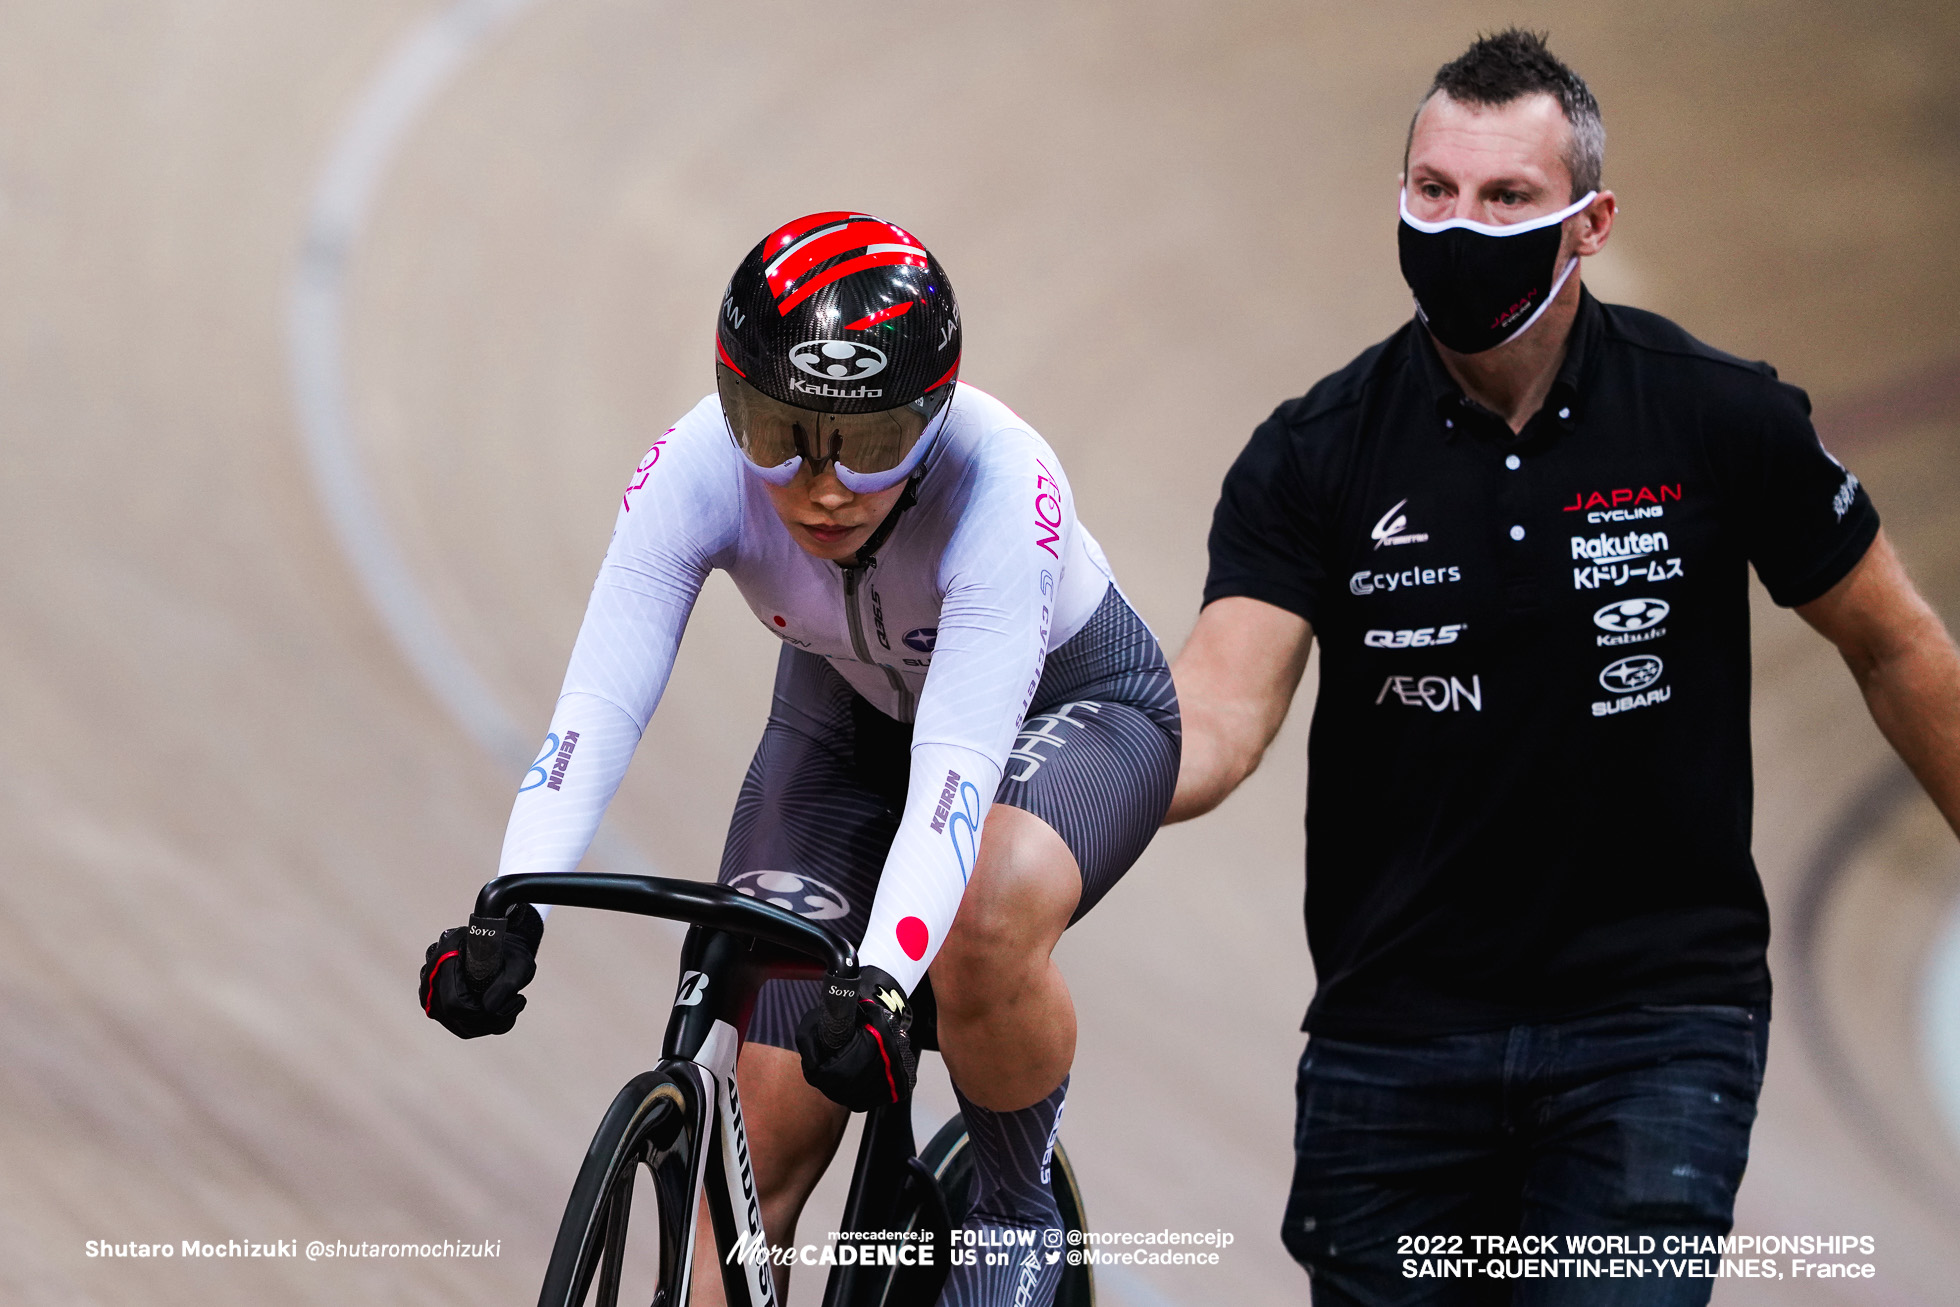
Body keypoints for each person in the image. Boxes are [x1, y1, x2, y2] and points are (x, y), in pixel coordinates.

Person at [1169, 29, 1960, 1307]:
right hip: (1395, 1034)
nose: (1458, 225)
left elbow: (1894, 642)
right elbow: (1219, 705)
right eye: (1433, 191)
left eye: (1505, 199)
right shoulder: (1311, 453)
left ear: (1588, 224)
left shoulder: (1719, 415)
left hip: (1652, 1031)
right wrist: (1076, 785)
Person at [418, 211, 1180, 1307]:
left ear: (935, 415)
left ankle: (1012, 1217)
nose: (821, 483)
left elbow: (958, 771)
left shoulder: (1003, 487)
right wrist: (510, 896)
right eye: (776, 429)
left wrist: (879, 977)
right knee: (759, 1141)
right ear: (729, 401)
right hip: (849, 718)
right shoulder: (694, 464)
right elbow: (597, 700)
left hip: (1069, 713)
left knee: (981, 915)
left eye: (869, 443)